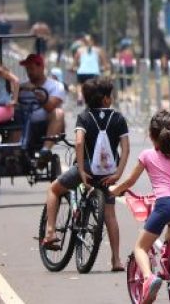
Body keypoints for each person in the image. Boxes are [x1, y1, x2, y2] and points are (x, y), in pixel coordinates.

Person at [42, 78, 128, 272]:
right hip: (109, 173)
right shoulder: (118, 118)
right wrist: (118, 173)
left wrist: (81, 170)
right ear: (106, 99)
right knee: (110, 215)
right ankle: (116, 260)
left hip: (88, 169)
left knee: (54, 190)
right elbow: (126, 148)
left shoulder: (85, 117)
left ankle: (50, 232)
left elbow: (79, 143)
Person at [111, 110, 170, 304]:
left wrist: (114, 190)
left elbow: (130, 181)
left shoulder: (146, 155)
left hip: (164, 205)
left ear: (151, 135)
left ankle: (148, 278)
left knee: (140, 247)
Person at [17, 54, 66, 165]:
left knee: (59, 113)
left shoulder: (56, 86)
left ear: (41, 67)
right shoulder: (22, 86)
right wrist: (16, 91)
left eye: (32, 68)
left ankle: (45, 150)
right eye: (27, 69)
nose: (29, 72)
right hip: (23, 125)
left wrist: (35, 91)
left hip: (44, 126)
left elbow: (50, 106)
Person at [73, 35, 109, 103]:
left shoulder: (79, 50)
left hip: (82, 72)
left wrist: (72, 68)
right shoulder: (98, 50)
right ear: (93, 41)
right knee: (95, 87)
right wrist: (105, 68)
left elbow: (74, 64)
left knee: (80, 84)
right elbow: (106, 65)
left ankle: (80, 96)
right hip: (94, 73)